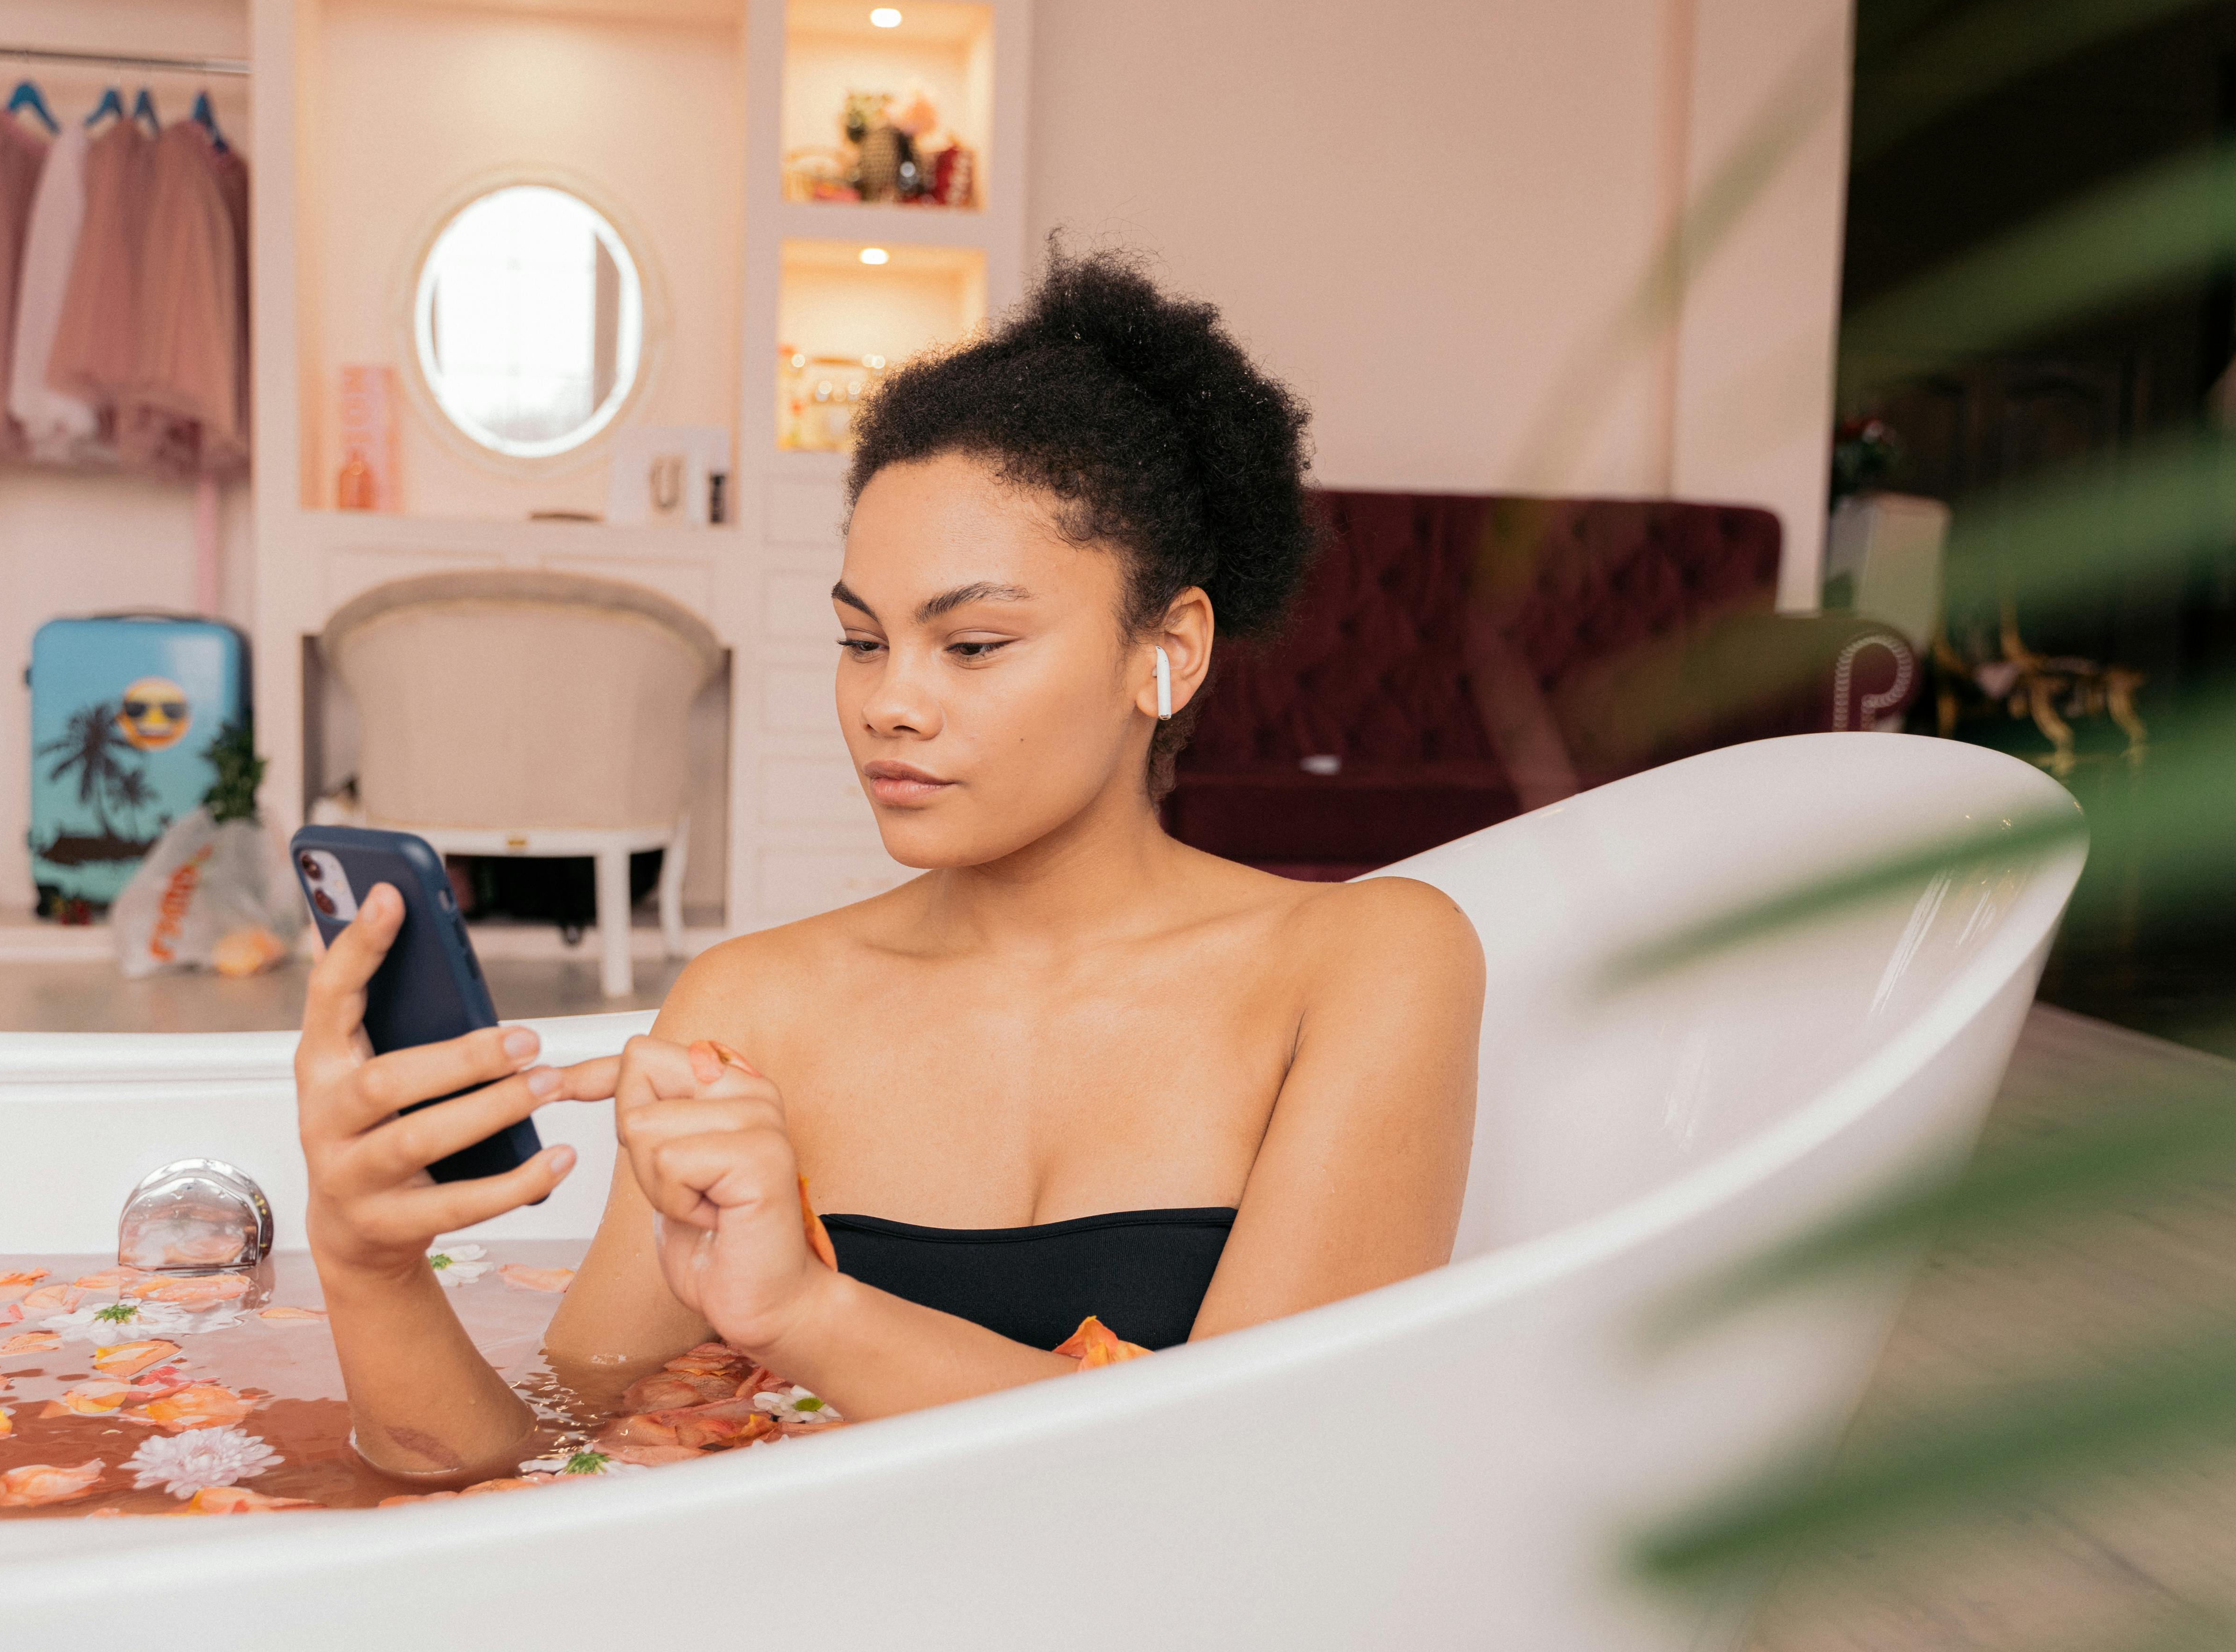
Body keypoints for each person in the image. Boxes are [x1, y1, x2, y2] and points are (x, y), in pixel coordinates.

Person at [294, 251, 1486, 1483]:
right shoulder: (751, 1006)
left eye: (971, 644)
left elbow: (1266, 1475)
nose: (888, 704)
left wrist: (807, 1313)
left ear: (1167, 649)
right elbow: (541, 1469)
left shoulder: (1364, 962)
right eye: (861, 640)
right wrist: (367, 1268)